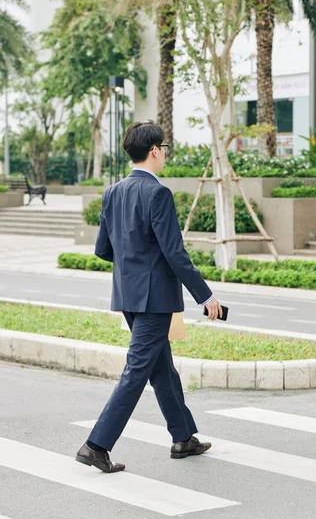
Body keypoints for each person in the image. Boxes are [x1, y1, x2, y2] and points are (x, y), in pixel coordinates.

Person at [76, 120, 222, 473]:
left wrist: (134, 263)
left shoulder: (112, 193)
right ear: (155, 150)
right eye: (164, 149)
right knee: (137, 370)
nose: (164, 154)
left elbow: (102, 249)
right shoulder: (159, 193)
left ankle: (183, 437)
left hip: (127, 295)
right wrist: (206, 296)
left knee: (162, 368)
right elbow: (175, 254)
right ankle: (96, 445)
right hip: (155, 299)